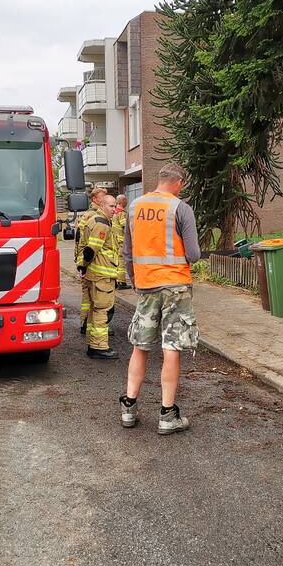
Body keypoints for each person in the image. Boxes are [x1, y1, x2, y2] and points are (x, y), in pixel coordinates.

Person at [120, 163, 201, 435]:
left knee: (140, 345)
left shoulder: (134, 207)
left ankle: (129, 407)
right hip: (175, 287)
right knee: (171, 348)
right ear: (178, 182)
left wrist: (135, 280)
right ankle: (167, 415)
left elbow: (127, 252)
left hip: (146, 286)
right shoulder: (181, 208)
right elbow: (193, 254)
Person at [79, 194, 121, 359]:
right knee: (101, 311)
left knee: (94, 310)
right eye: (111, 206)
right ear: (102, 205)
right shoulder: (102, 224)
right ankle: (99, 347)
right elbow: (91, 250)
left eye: (115, 206)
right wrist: (83, 265)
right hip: (102, 277)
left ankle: (93, 343)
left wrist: (82, 266)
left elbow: (83, 246)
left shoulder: (93, 220)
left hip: (94, 275)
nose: (114, 210)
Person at [75, 187, 108, 335]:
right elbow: (87, 242)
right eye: (102, 197)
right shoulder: (94, 216)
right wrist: (83, 264)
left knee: (87, 296)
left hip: (86, 261)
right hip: (92, 263)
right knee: (93, 298)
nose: (104, 200)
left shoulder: (87, 214)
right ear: (94, 199)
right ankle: (88, 326)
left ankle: (86, 325)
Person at [112, 194, 131, 290]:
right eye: (125, 200)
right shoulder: (122, 214)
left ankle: (116, 281)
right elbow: (126, 227)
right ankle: (121, 282)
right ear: (122, 201)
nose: (127, 201)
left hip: (114, 241)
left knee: (116, 262)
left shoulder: (114, 212)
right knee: (121, 263)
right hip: (121, 242)